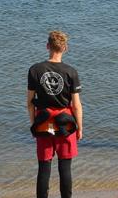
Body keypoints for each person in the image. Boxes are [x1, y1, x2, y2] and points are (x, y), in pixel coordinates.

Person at [27, 31, 83, 198]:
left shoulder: (35, 70)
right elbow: (76, 105)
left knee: (44, 167)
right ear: (65, 48)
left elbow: (29, 103)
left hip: (43, 124)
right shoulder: (71, 72)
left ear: (47, 46)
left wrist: (33, 125)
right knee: (65, 167)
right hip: (65, 124)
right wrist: (80, 127)